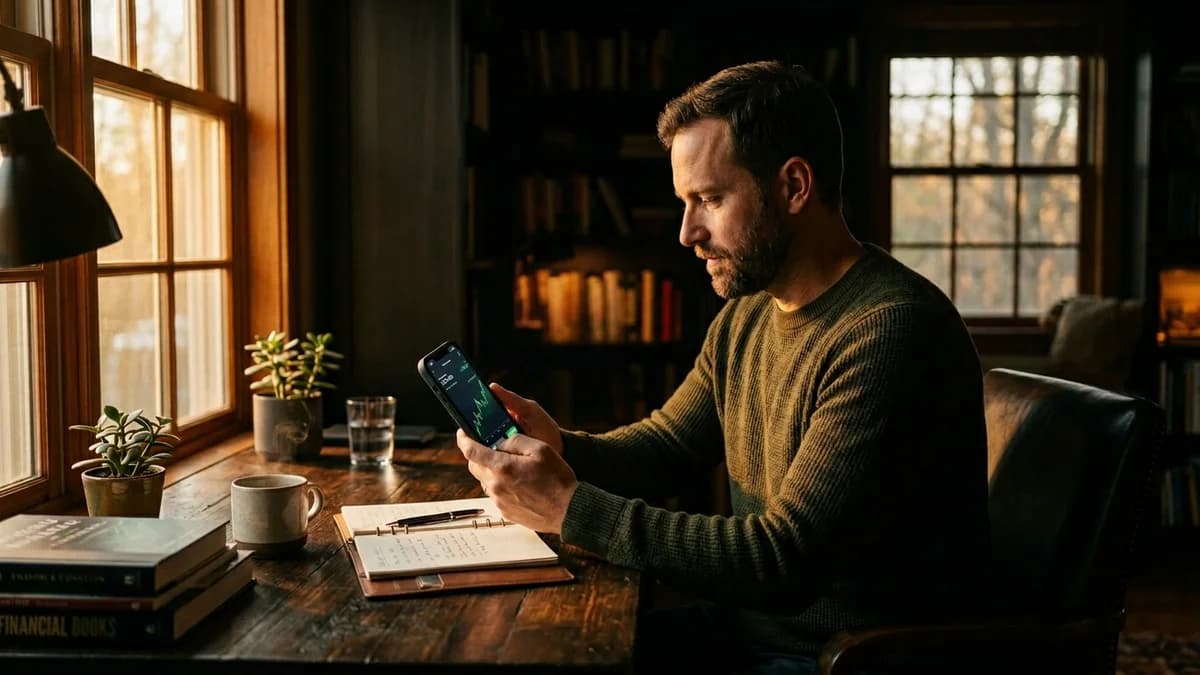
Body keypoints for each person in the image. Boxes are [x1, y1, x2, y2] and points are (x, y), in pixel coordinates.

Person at [456, 60, 990, 675]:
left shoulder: (890, 330)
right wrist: (560, 449)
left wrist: (570, 507)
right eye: (686, 202)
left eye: (709, 198)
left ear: (794, 187)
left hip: (846, 658)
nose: (687, 233)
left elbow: (781, 559)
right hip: (752, 631)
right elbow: (668, 445)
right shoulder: (749, 314)